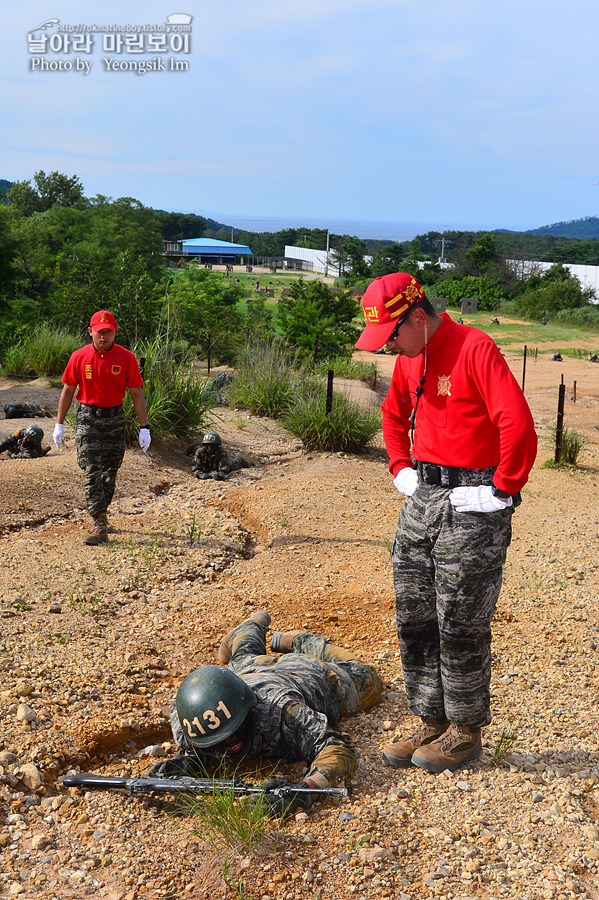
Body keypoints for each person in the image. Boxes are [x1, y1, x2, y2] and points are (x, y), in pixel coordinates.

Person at [355, 273, 537, 774]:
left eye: (392, 335)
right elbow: (393, 417)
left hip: (474, 499)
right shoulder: (409, 359)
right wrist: (400, 469)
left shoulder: (475, 348)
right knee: (414, 615)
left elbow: (516, 422)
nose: (389, 346)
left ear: (418, 316)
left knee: (460, 619)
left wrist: (501, 489)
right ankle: (430, 718)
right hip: (424, 494)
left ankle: (465, 731)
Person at [150, 611, 383, 816]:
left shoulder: (283, 711)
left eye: (234, 729)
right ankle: (251, 626)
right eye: (219, 739)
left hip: (304, 671)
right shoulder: (188, 723)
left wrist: (306, 792)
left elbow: (335, 747)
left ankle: (299, 640)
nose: (230, 742)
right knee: (243, 658)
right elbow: (196, 743)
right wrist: (188, 760)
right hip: (245, 671)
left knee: (368, 677)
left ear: (249, 711)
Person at [53, 310, 151, 546]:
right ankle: (98, 522)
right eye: (99, 332)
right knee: (91, 468)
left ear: (115, 332)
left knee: (110, 471)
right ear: (91, 332)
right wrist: (59, 423)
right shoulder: (79, 357)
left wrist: (144, 427)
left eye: (108, 332)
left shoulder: (127, 358)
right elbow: (68, 391)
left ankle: (102, 514)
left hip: (115, 417)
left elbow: (136, 394)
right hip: (88, 417)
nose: (104, 337)